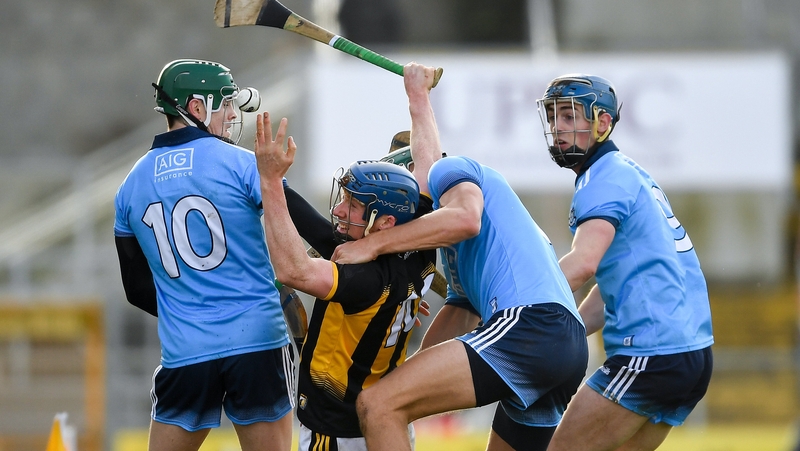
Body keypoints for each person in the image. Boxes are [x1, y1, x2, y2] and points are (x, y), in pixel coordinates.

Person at [330, 69, 589, 451]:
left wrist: (371, 247)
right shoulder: (456, 252)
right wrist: (410, 369)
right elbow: (460, 311)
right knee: (392, 397)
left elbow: (462, 216)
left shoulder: (453, 172)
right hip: (563, 343)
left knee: (378, 405)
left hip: (529, 325)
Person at [253, 63, 439, 451]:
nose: (339, 211)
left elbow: (294, 270)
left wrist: (270, 181)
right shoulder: (423, 243)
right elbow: (429, 166)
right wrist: (417, 96)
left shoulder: (365, 278)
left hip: (337, 430)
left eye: (354, 207)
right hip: (388, 422)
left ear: (386, 221)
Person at [113, 59, 294, 451]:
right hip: (257, 343)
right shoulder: (243, 164)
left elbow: (136, 290)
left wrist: (194, 309)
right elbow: (316, 231)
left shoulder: (130, 186)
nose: (232, 115)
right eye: (225, 104)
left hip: (187, 352)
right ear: (197, 108)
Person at [535, 74, 714, 451]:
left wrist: (522, 307)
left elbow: (582, 265)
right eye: (553, 117)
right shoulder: (630, 172)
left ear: (602, 123)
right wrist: (574, 328)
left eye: (569, 116)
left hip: (649, 354)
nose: (557, 127)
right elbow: (616, 276)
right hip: (692, 355)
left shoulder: (602, 180)